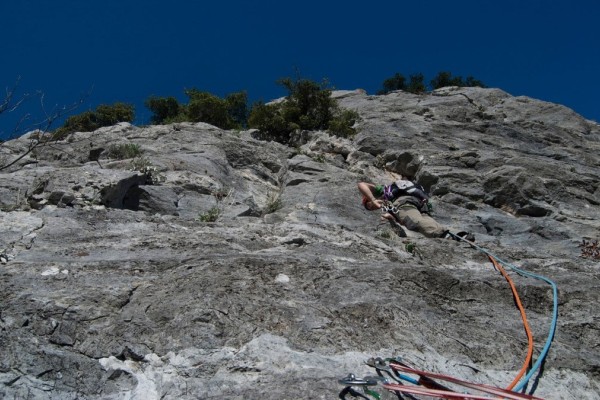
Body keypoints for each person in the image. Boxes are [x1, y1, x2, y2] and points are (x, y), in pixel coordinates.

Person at [358, 180, 468, 239]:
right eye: (371, 209)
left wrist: (372, 200)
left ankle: (445, 237)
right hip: (419, 204)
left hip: (403, 202)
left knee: (414, 221)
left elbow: (361, 184)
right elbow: (399, 219)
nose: (372, 207)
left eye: (369, 205)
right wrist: (389, 217)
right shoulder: (388, 207)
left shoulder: (382, 191)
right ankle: (456, 235)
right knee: (425, 221)